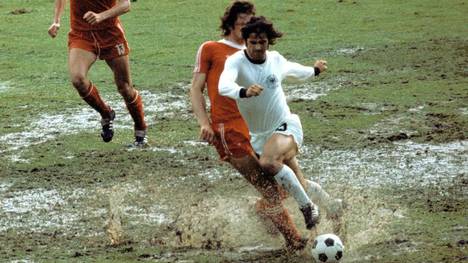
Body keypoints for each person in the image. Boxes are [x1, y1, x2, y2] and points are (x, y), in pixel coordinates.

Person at [190, 1, 310, 251]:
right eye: (242, 24)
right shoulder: (211, 49)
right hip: (228, 129)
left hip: (259, 128)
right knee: (269, 188)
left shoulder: (257, 51)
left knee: (289, 182)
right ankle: (293, 239)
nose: (248, 30)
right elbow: (195, 88)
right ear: (231, 24)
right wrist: (204, 123)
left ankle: (265, 211)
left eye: (251, 25)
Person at [219, 16, 341, 230]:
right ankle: (332, 205)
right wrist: (243, 91)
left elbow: (294, 69)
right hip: (259, 137)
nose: (258, 47)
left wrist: (314, 70)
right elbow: (223, 85)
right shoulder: (236, 61)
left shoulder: (275, 60)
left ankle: (308, 207)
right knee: (298, 182)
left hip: (286, 126)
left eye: (262, 42)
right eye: (253, 42)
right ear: (245, 42)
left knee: (268, 162)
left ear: (269, 42)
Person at [48, 0, 147, 146]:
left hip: (110, 34)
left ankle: (140, 128)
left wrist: (101, 16)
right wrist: (56, 21)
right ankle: (106, 113)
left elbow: (126, 5)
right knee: (78, 79)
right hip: (82, 35)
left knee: (125, 88)